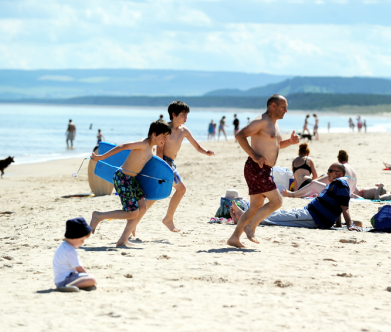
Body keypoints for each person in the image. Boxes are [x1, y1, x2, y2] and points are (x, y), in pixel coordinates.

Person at [227, 94, 299, 248]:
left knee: (255, 206)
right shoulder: (261, 121)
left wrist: (290, 142)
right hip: (256, 168)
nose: (286, 110)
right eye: (283, 107)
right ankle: (251, 227)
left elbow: (276, 145)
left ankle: (234, 237)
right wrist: (254, 155)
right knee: (277, 201)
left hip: (264, 169)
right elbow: (240, 136)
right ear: (273, 106)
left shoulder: (275, 123)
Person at [89, 120, 171, 246]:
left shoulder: (152, 148)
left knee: (142, 208)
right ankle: (98, 216)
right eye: (163, 137)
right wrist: (101, 157)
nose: (165, 140)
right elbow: (122, 147)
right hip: (122, 178)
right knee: (132, 213)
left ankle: (123, 240)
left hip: (131, 180)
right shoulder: (143, 143)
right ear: (154, 134)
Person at [232, 163, 353, 229]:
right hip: (309, 212)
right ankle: (245, 216)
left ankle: (243, 218)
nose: (327, 173)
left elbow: (344, 208)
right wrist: (337, 225)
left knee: (278, 218)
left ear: (339, 174)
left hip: (314, 217)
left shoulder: (341, 183)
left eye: (330, 171)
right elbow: (337, 206)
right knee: (279, 214)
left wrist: (349, 225)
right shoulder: (335, 184)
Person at [157, 101, 215, 232]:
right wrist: (161, 168)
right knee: (181, 189)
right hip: (163, 163)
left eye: (186, 115)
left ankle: (135, 221)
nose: (186, 118)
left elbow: (197, 146)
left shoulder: (184, 130)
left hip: (171, 163)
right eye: (183, 115)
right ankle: (168, 219)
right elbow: (159, 151)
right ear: (174, 114)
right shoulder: (164, 129)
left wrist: (206, 152)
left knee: (153, 197)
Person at [53, 217, 97, 292]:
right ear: (73, 238)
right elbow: (79, 268)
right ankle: (67, 287)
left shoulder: (63, 245)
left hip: (59, 280)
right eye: (81, 240)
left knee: (88, 280)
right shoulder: (70, 251)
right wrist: (86, 276)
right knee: (92, 279)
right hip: (65, 280)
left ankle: (75, 285)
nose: (83, 242)